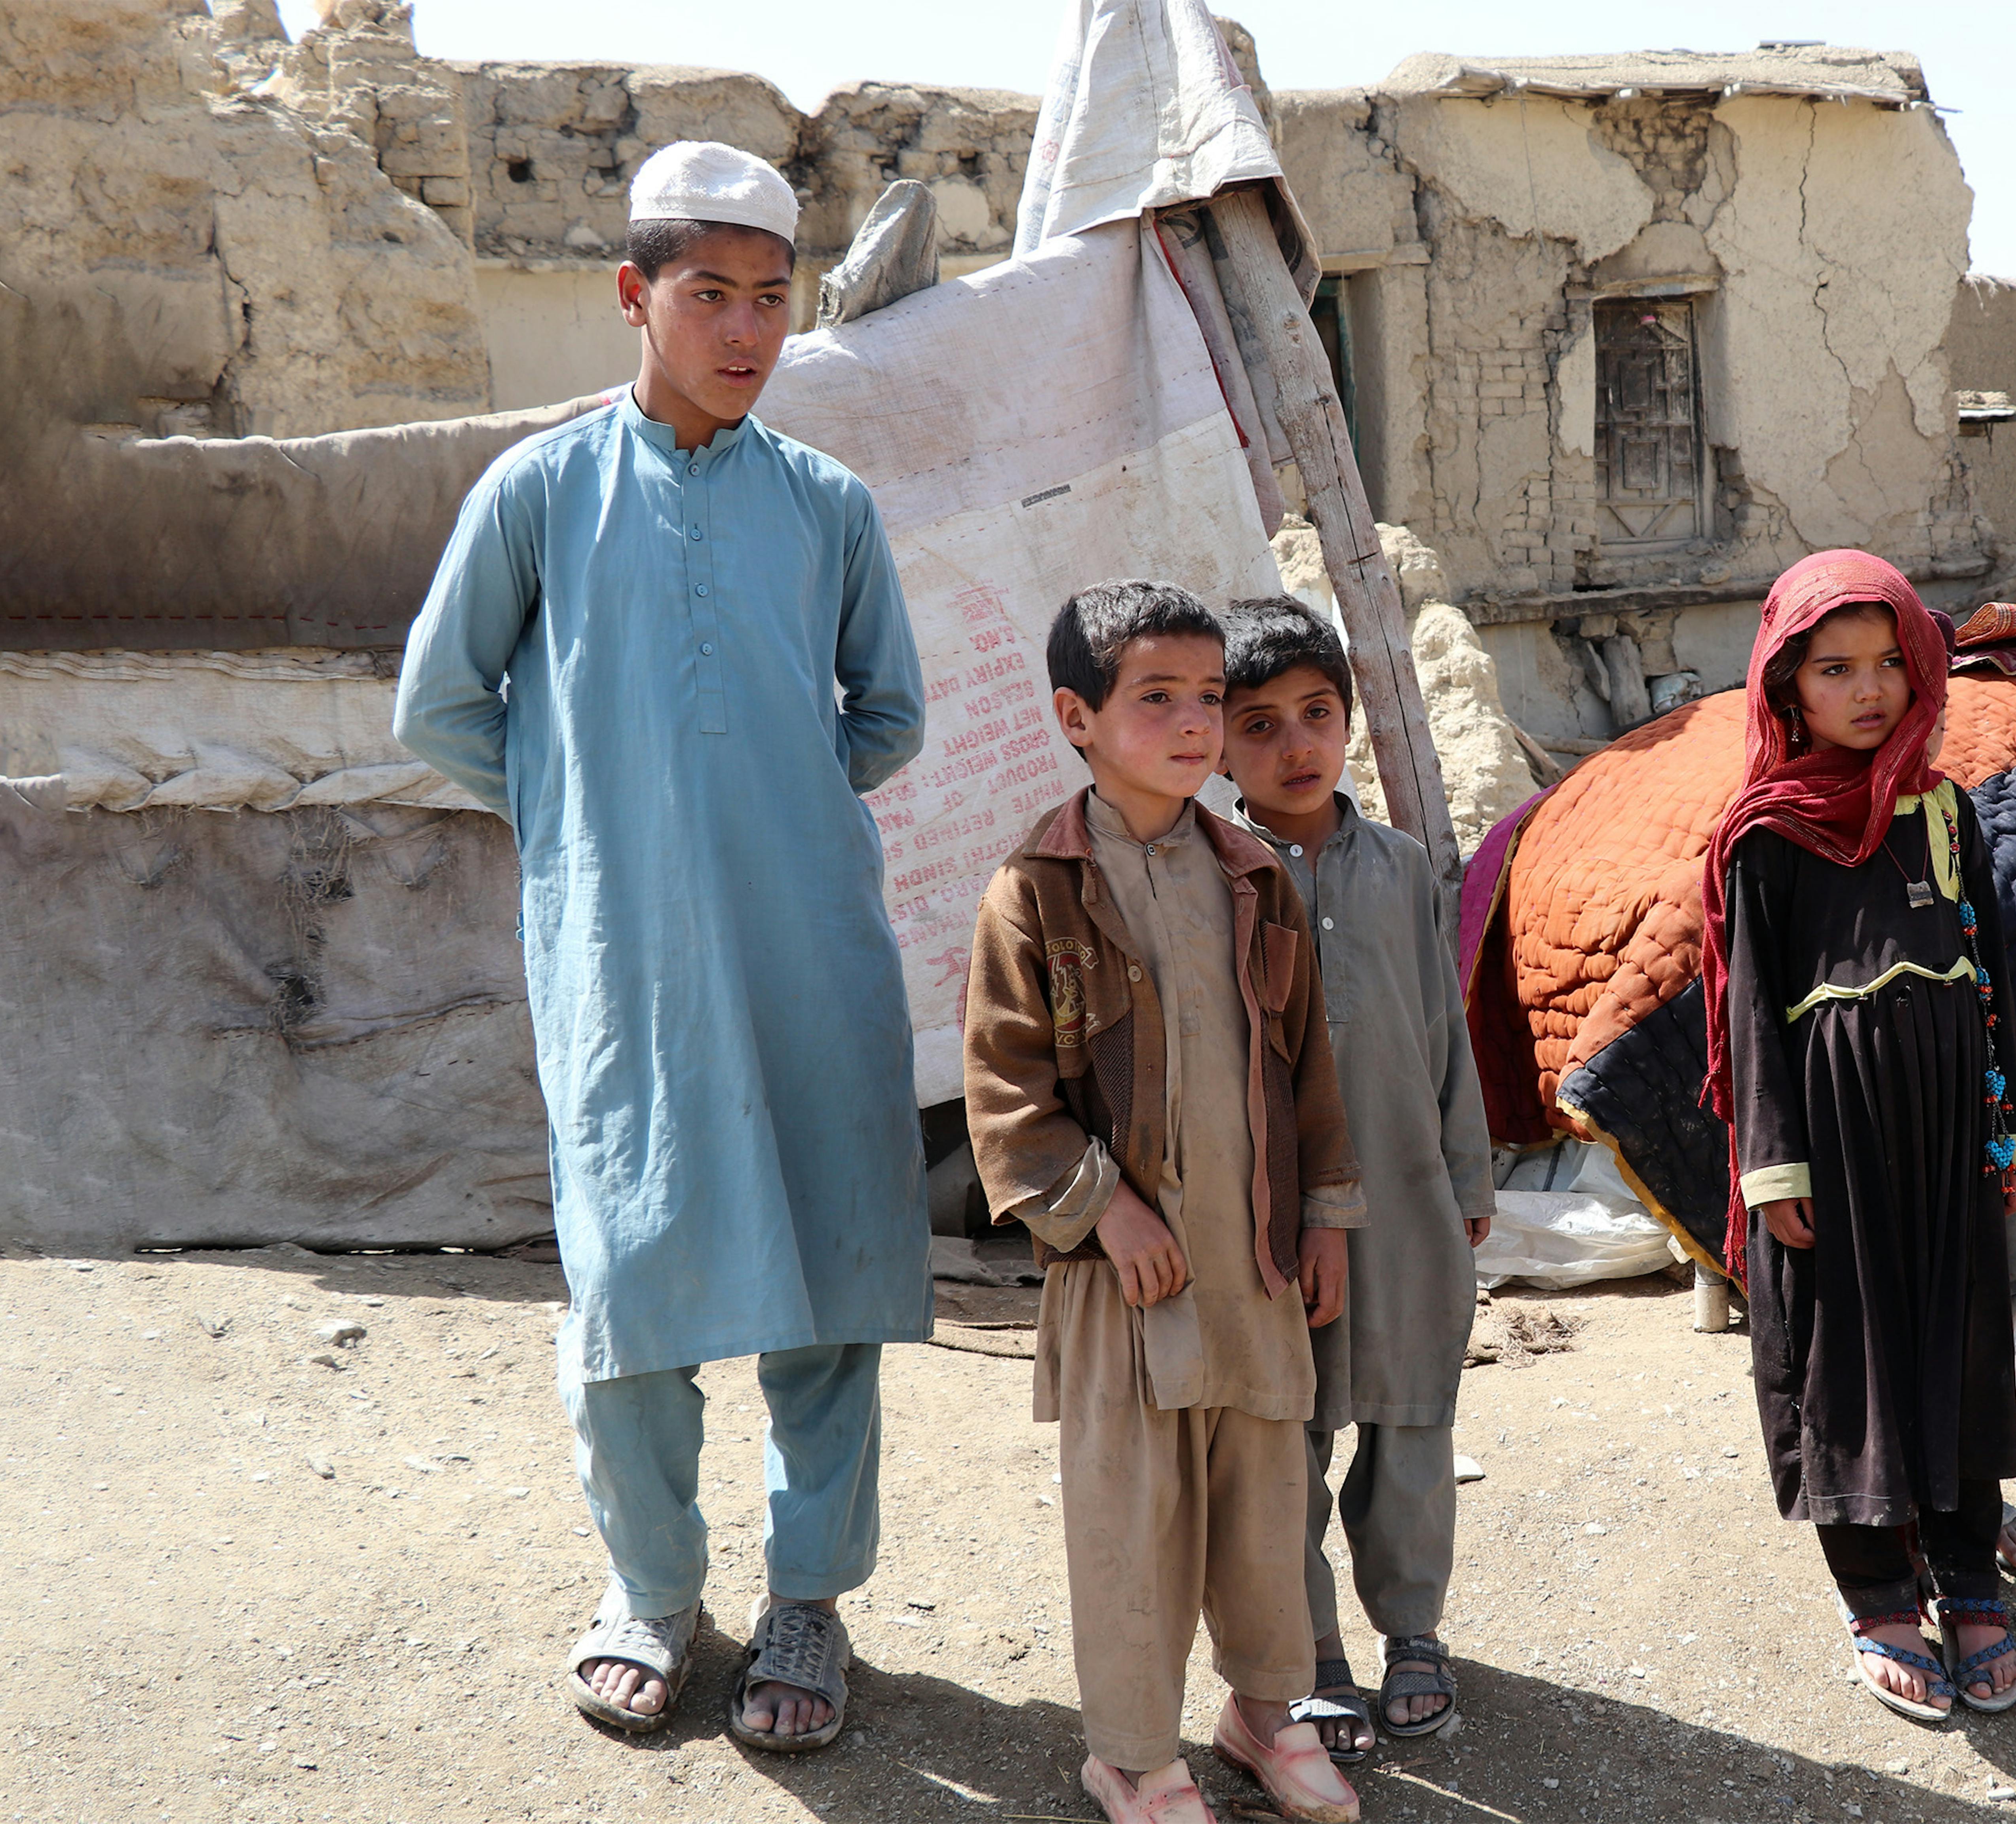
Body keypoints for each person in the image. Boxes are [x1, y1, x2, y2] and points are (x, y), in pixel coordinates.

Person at [394, 140, 927, 1753]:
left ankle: (808, 1602)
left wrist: (758, 806)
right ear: (635, 297)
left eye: (773, 299)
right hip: (621, 964)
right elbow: (440, 708)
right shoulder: (541, 493)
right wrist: (590, 817)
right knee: (629, 1287)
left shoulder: (826, 506)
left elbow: (887, 712)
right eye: (711, 297)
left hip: (808, 955)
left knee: (827, 1289)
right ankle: (652, 1593)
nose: (747, 332)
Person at [962, 581, 1367, 1824]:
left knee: (1261, 1509)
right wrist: (1103, 1207)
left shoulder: (1252, 875)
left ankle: (1266, 1713)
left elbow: (1305, 1063)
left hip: (1249, 1269)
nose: (1198, 724)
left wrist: (1327, 1214)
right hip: (1126, 1281)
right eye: (1159, 699)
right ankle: (1134, 1756)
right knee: (1133, 1525)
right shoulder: (1036, 890)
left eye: (1208, 698)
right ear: (1077, 717)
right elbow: (1006, 1086)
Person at [1701, 549, 2016, 1724]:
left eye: (1892, 662)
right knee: (1848, 1348)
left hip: (1953, 1127)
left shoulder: (1944, 810)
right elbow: (1750, 1012)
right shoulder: (1768, 833)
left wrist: (2011, 1134)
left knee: (1956, 1329)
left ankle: (1962, 1556)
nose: (1869, 689)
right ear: (1787, 685)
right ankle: (1876, 1582)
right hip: (1833, 1144)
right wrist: (1771, 1164)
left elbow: (1992, 979)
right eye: (1835, 668)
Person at [1217, 598, 1496, 1761]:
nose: (1297, 745)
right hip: (1274, 1221)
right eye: (1262, 724)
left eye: (1318, 714)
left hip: (1409, 1200)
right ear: (1220, 747)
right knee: (1287, 1440)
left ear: (1351, 719)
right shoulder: (1213, 875)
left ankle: (1414, 1632)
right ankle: (1313, 1651)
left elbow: (1444, 1029)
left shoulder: (1401, 865)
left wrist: (1468, 1171)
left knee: (1412, 1420)